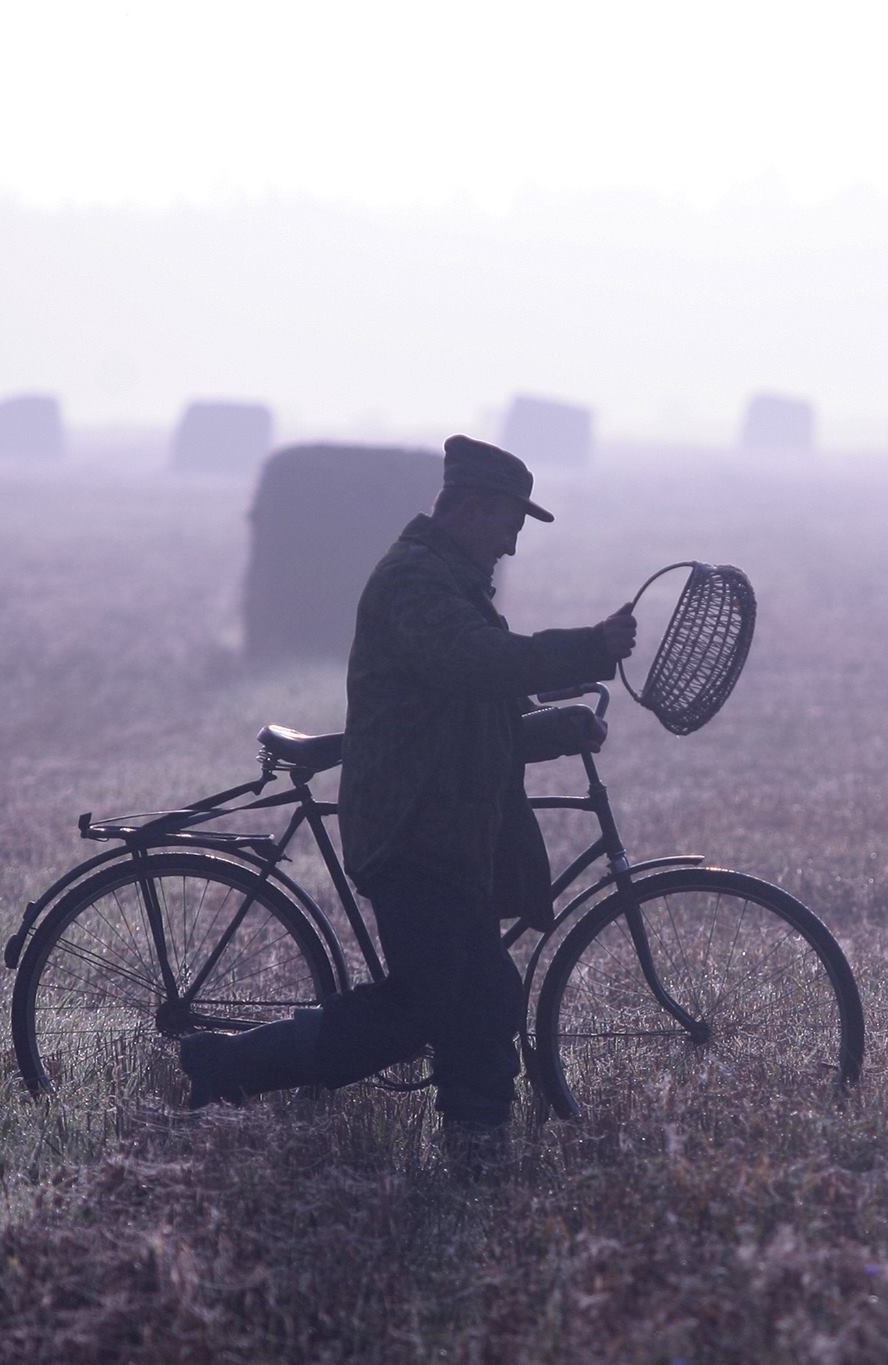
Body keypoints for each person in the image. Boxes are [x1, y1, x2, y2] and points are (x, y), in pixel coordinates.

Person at [180, 435, 635, 1167]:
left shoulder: (452, 585)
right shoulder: (416, 584)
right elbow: (477, 663)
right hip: (413, 831)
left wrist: (559, 728)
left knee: (480, 993)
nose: (512, 544)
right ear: (470, 508)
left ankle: (476, 1145)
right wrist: (589, 646)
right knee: (430, 1002)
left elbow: (473, 714)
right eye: (509, 523)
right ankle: (225, 1066)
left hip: (446, 826)